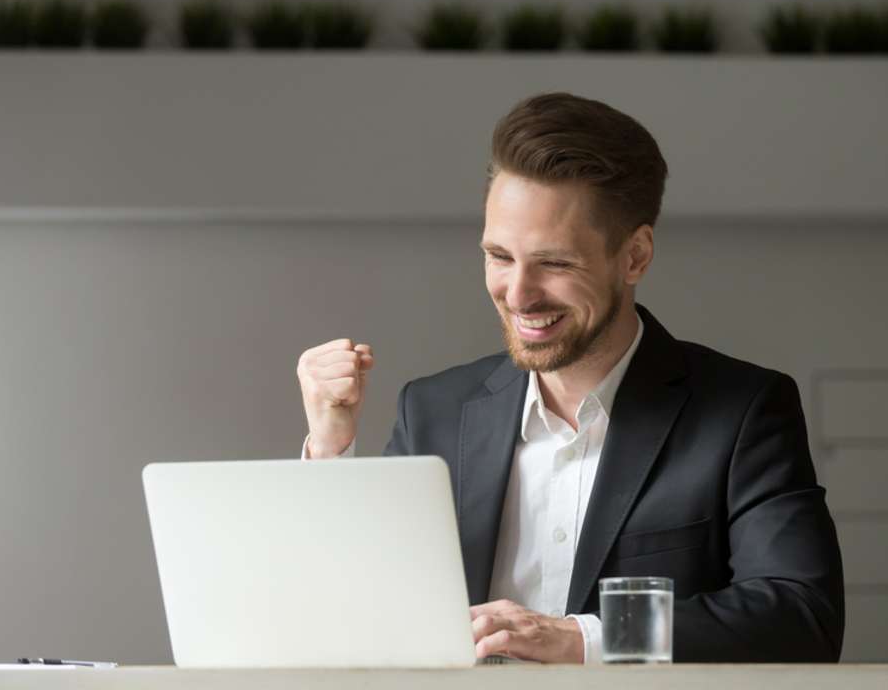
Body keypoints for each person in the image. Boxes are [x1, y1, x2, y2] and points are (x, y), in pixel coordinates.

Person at [296, 92, 844, 663]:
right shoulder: (432, 410)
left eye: (554, 263)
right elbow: (357, 610)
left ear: (634, 256)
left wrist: (581, 639)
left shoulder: (744, 411)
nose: (519, 293)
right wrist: (331, 454)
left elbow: (803, 615)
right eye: (499, 256)